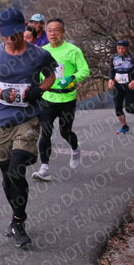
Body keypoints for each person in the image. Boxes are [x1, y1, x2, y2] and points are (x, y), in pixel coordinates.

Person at [0, 8, 55, 249]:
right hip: (1, 121)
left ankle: (19, 222)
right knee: (7, 175)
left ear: (24, 29)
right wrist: (0, 93)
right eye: (6, 34)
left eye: (15, 33)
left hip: (28, 119)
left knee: (16, 169)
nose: (11, 38)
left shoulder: (39, 55)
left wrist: (38, 90)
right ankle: (15, 218)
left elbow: (51, 76)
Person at [32, 18, 90, 181]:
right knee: (46, 132)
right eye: (49, 30)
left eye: (56, 30)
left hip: (67, 98)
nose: (53, 33)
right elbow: (36, 73)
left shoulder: (73, 50)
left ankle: (75, 149)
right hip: (47, 97)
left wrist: (72, 78)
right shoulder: (41, 51)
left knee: (65, 132)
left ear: (63, 32)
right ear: (46, 32)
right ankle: (44, 168)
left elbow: (85, 70)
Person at [108, 39, 134, 134]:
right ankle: (124, 126)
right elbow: (112, 70)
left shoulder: (132, 57)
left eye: (122, 48)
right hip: (118, 85)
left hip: (130, 85)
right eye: (118, 48)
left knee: (130, 108)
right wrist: (111, 79)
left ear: (127, 48)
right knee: (118, 108)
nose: (120, 50)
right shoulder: (114, 58)